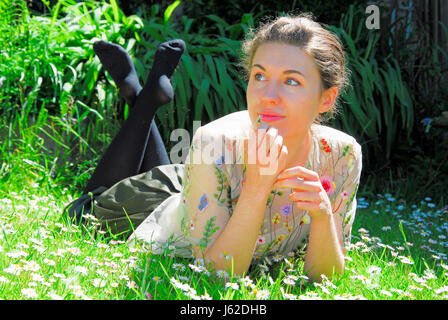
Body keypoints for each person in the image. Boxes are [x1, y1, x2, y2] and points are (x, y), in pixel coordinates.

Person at [64, 13, 362, 282]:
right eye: (259, 76)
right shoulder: (214, 141)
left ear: (326, 99)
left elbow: (325, 279)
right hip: (153, 206)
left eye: (291, 81)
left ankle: (143, 98)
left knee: (175, 172)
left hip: (197, 185)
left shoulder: (340, 156)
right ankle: (143, 101)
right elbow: (217, 275)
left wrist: (324, 216)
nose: (268, 95)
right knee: (90, 202)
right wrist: (256, 189)